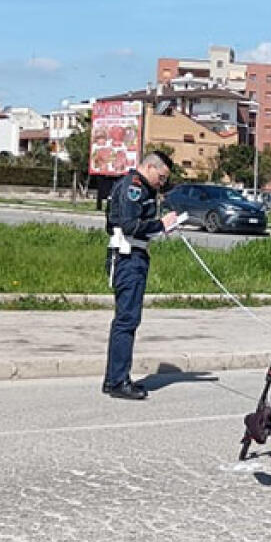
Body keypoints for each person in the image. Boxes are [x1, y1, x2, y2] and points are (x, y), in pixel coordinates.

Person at [102, 153, 180, 400]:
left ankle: (115, 377)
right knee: (127, 320)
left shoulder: (140, 188)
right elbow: (129, 224)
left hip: (134, 255)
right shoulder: (134, 188)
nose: (162, 183)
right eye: (161, 177)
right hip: (128, 257)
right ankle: (117, 381)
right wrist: (160, 225)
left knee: (127, 319)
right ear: (149, 167)